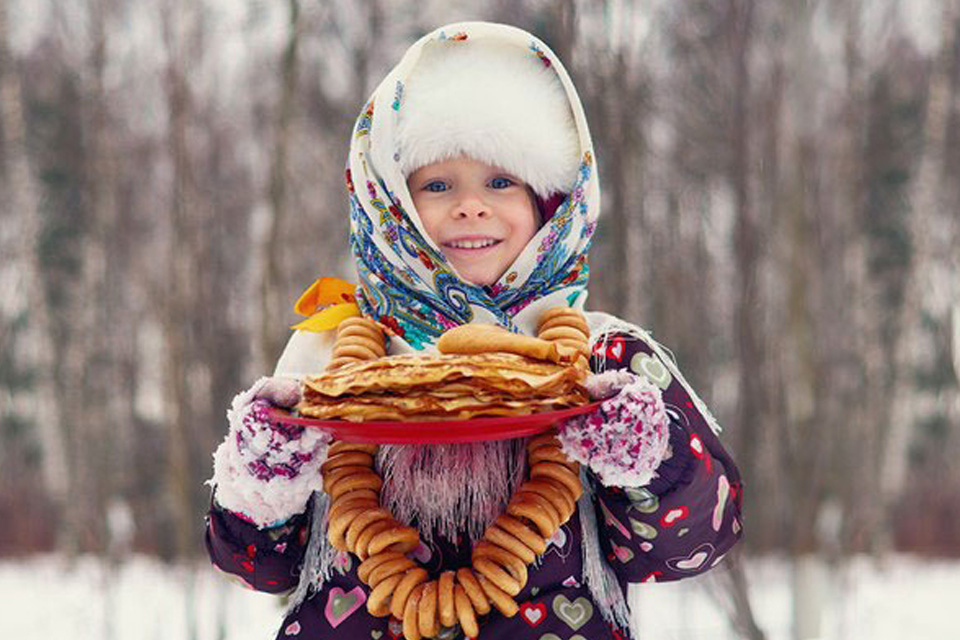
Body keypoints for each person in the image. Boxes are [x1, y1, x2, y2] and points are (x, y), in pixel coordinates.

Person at [205, 21, 742, 640]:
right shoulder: (327, 361)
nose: (470, 206)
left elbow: (689, 546)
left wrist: (642, 456)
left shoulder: (604, 361)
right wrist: (265, 472)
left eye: (501, 181)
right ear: (389, 206)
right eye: (437, 185)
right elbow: (258, 567)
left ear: (551, 202)